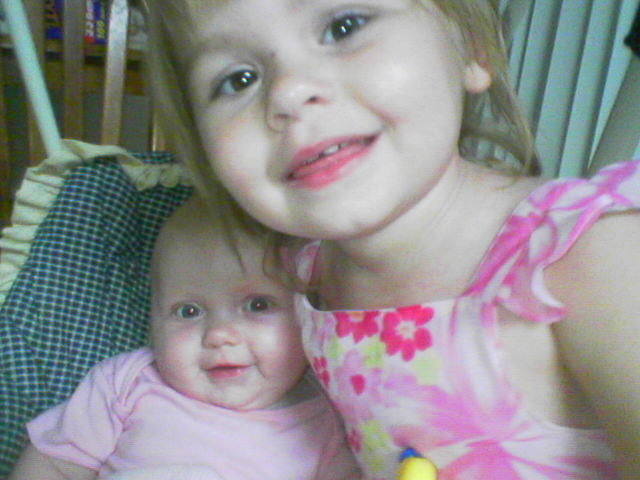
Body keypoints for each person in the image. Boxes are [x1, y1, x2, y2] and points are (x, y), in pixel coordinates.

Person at [141, 0, 640, 478]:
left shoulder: (592, 252)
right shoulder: (299, 271)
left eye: (343, 26)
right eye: (237, 79)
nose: (288, 91)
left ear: (471, 46)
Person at [8, 196, 360, 480]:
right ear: (153, 322)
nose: (219, 335)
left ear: (309, 314)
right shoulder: (126, 383)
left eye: (257, 305)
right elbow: (53, 464)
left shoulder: (327, 419)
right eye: (188, 311)